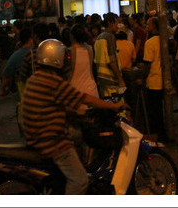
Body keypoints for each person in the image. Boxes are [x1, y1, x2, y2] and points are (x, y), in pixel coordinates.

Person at [21, 39, 125, 195]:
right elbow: (84, 98)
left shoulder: (35, 79)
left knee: (76, 135)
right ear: (57, 59)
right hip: (52, 142)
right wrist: (113, 105)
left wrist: (73, 113)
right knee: (80, 180)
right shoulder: (53, 82)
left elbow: (53, 105)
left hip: (35, 136)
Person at [142, 16, 168, 142]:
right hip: (163, 79)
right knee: (161, 110)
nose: (147, 26)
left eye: (148, 24)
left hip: (153, 80)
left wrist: (142, 77)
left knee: (154, 111)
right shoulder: (164, 40)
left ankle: (157, 135)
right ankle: (162, 133)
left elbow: (148, 63)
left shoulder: (149, 43)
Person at [94, 13, 127, 97]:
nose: (117, 26)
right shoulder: (110, 37)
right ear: (110, 23)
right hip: (111, 77)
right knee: (117, 105)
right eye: (116, 23)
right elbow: (112, 61)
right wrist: (120, 79)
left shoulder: (99, 37)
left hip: (101, 77)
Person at [66, 24, 98, 99]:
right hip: (91, 88)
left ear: (71, 36)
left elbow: (68, 72)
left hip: (75, 90)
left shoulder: (69, 51)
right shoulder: (89, 49)